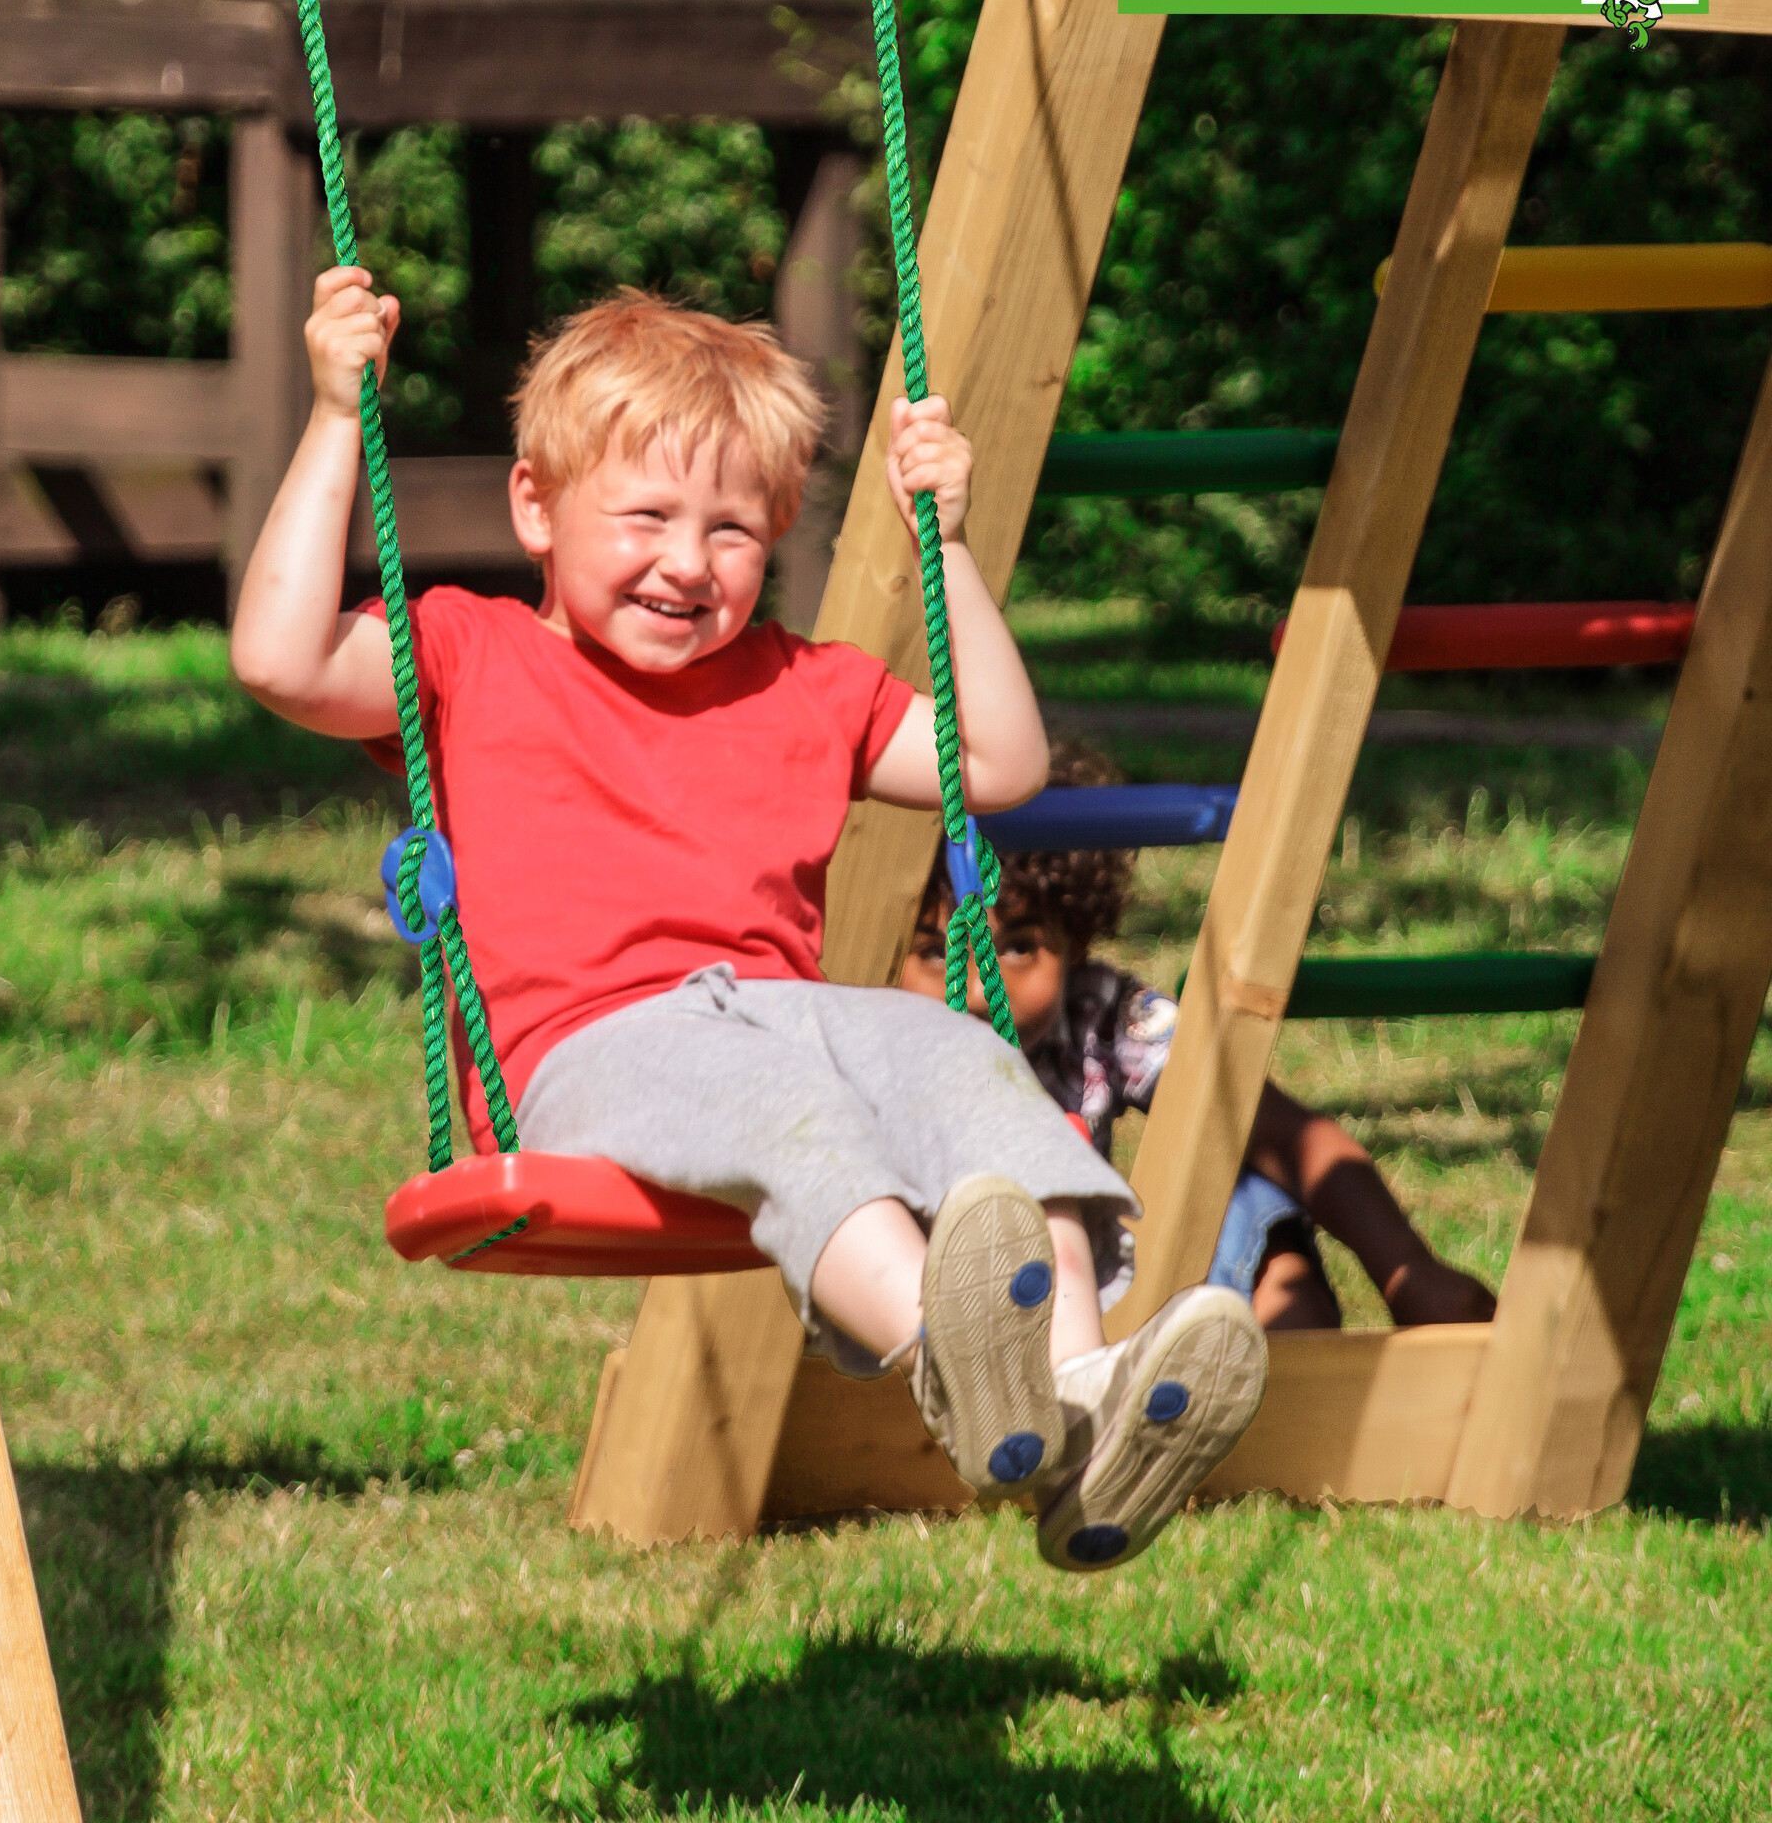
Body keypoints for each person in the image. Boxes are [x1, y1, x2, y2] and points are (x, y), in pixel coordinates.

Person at [231, 268, 1266, 1575]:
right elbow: (278, 658)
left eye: (732, 530)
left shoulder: (799, 686)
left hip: (789, 1022)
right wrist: (336, 414)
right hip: (596, 1052)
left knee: (963, 1057)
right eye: (647, 515)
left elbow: (998, 766)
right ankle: (953, 1358)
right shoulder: (468, 657)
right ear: (534, 507)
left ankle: (1077, 1390)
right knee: (790, 1111)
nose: (687, 561)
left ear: (777, 533)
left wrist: (944, 547)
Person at [900, 753, 1499, 1331]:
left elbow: (1284, 1133)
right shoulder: (878, 1035)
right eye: (935, 952)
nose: (979, 991)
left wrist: (1409, 1271)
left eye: (1017, 947)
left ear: (1075, 940)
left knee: (1247, 1183)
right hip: (927, 1303)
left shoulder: (1098, 1014)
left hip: (1089, 1303)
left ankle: (1283, 1377)